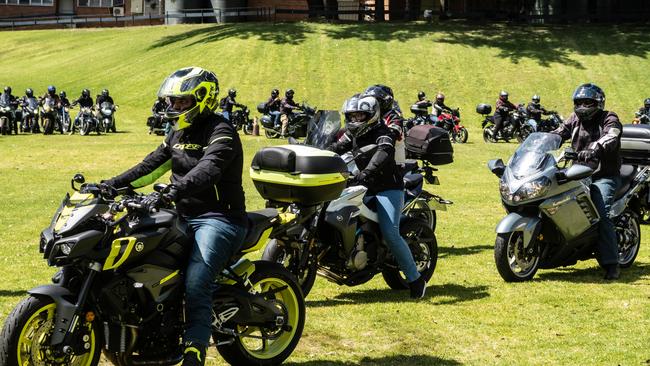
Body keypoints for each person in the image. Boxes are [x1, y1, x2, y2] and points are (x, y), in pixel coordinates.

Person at [101, 67, 247, 366]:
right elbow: (149, 167)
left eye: (182, 101)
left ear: (203, 99)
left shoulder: (222, 132)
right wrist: (109, 185)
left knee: (197, 281)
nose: (175, 107)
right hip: (179, 212)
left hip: (218, 218)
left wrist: (172, 190)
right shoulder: (177, 133)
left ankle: (194, 348)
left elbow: (208, 170)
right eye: (173, 102)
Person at [327, 94, 427, 299]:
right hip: (362, 185)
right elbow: (334, 148)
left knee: (390, 232)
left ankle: (416, 279)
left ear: (371, 115)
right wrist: (313, 154)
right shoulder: (352, 134)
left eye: (360, 116)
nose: (355, 120)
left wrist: (366, 173)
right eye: (351, 116)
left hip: (387, 188)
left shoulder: (384, 133)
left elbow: (383, 153)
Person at [551, 83, 622, 280]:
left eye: (587, 102)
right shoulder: (574, 119)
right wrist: (541, 142)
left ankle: (611, 263)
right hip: (577, 172)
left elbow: (612, 135)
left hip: (603, 175)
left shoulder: (609, 117)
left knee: (601, 213)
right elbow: (558, 132)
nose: (582, 106)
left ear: (598, 103)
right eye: (579, 103)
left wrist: (595, 148)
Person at [363, 84, 406, 163]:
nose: (371, 105)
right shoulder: (369, 117)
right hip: (371, 159)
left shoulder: (394, 117)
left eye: (375, 101)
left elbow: (393, 132)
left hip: (392, 163)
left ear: (385, 102)